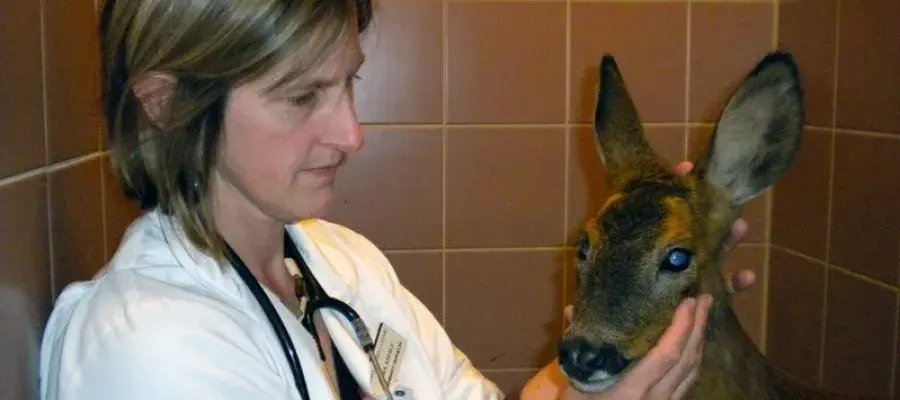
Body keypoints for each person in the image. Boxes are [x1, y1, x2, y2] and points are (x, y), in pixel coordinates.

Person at [37, 1, 755, 399]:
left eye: (348, 81)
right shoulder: (147, 353)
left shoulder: (343, 265)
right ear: (167, 105)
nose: (351, 134)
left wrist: (639, 307)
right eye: (301, 96)